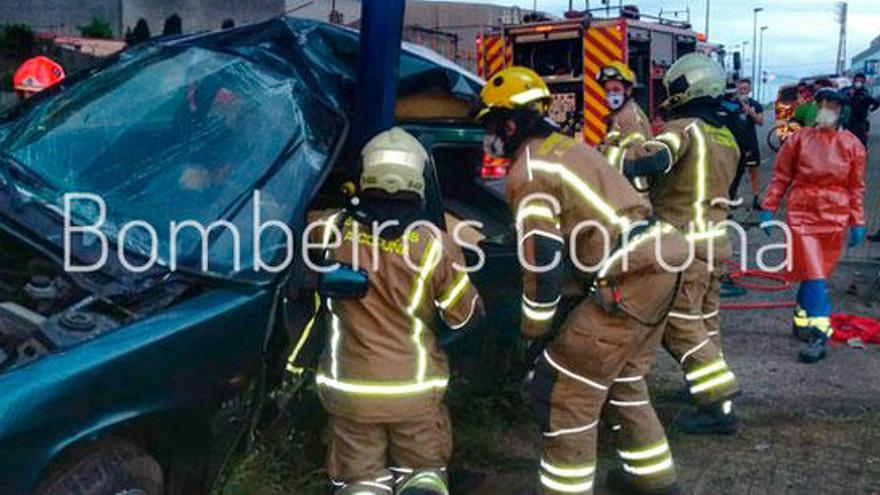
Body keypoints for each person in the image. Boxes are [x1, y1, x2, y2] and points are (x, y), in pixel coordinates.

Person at [476, 66, 690, 495]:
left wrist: (536, 327)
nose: (491, 137)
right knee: (623, 379)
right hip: (663, 258)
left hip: (630, 274)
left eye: (493, 126)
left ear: (512, 123)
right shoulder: (569, 148)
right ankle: (653, 480)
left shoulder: (529, 170)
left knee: (564, 389)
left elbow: (542, 255)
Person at [307, 128, 485, 494]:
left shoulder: (331, 229)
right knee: (423, 477)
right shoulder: (435, 244)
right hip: (414, 392)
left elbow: (289, 226)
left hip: (350, 391)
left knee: (359, 483)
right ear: (417, 181)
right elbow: (464, 316)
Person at [619, 53, 742, 434]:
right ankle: (705, 387)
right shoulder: (727, 137)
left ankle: (717, 406)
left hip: (683, 244)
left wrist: (627, 144)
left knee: (679, 325)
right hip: (716, 242)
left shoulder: (684, 128)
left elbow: (649, 163)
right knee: (706, 322)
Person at [759, 88, 866, 364]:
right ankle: (820, 332)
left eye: (832, 105)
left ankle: (802, 319)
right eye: (822, 104)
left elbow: (856, 188)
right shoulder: (799, 140)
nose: (826, 110)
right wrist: (768, 208)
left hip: (834, 216)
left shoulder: (852, 145)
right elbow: (781, 175)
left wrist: (857, 221)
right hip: (803, 213)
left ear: (842, 110)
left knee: (813, 273)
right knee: (816, 274)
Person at [598, 61, 653, 192]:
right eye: (607, 91)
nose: (611, 95)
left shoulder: (629, 117)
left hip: (634, 192)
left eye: (616, 90)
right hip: (626, 189)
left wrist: (600, 153)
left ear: (628, 90)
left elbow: (639, 157)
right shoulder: (620, 115)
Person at [720, 79, 755, 202]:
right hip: (735, 149)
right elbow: (742, 131)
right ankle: (728, 199)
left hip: (721, 151)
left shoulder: (716, 107)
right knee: (736, 174)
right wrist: (747, 148)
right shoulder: (735, 108)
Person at [734, 79, 764, 210]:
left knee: (754, 171)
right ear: (737, 90)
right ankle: (731, 196)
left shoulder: (755, 104)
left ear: (750, 90)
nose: (743, 91)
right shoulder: (732, 104)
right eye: (741, 89)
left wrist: (751, 112)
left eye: (746, 89)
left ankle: (756, 198)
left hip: (751, 143)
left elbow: (761, 121)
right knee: (734, 172)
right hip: (734, 144)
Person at [842, 73, 879, 147]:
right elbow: (841, 100)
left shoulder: (864, 93)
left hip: (861, 123)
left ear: (863, 82)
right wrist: (849, 95)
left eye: (861, 81)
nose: (858, 82)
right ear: (854, 81)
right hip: (848, 122)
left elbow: (876, 103)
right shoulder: (847, 91)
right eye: (857, 80)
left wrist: (870, 111)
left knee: (861, 143)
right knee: (847, 143)